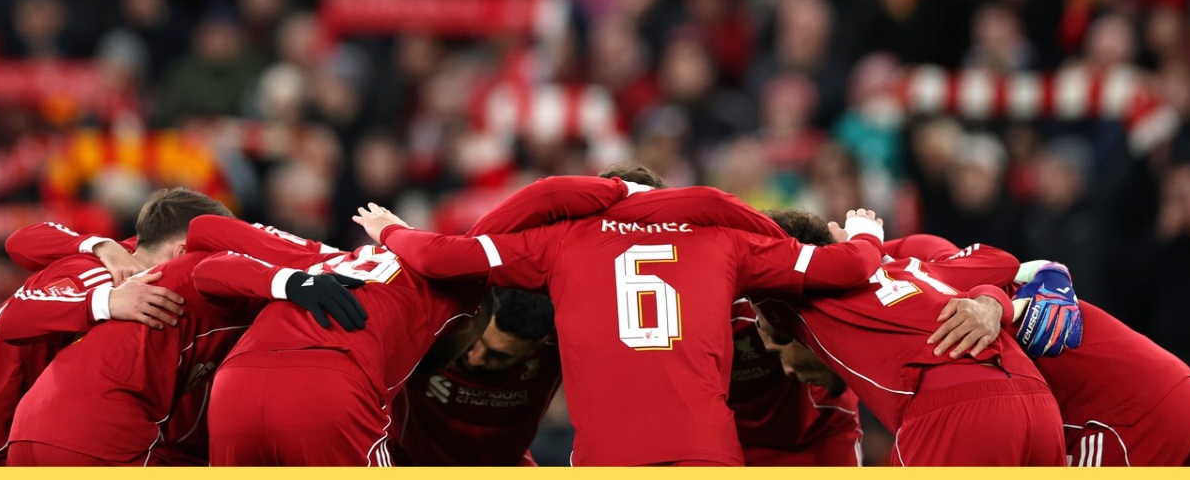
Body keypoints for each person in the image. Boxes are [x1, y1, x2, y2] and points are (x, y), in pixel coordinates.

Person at [353, 164, 886, 466]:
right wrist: (866, 231)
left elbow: (441, 258)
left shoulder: (560, 239)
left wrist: (393, 231)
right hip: (707, 454)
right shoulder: (723, 237)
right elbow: (850, 267)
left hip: (608, 461)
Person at [0, 189, 221, 466]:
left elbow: (22, 241)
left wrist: (100, 246)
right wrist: (103, 301)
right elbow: (15, 317)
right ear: (183, 251)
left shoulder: (122, 263)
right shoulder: (100, 274)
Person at [4, 205, 364, 466]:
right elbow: (211, 267)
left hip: (25, 431)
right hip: (98, 435)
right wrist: (293, 279)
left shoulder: (136, 285)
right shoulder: (187, 271)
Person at [756, 210, 1065, 467]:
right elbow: (1005, 263)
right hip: (1036, 400)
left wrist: (859, 240)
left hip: (953, 410)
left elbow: (740, 251)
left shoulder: (798, 292)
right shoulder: (912, 268)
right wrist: (993, 300)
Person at [180, 214, 484, 467]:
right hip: (328, 386)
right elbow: (494, 237)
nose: (474, 357)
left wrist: (288, 280)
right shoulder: (458, 287)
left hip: (234, 388)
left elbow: (204, 236)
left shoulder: (327, 258)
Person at [883, 234, 1190, 466]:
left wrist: (994, 304)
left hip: (1129, 414)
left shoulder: (943, 292)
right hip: (1175, 387)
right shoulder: (945, 270)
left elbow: (983, 286)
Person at [390, 288, 563, 466]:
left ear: (537, 346)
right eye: (478, 339)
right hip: (403, 461)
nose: (474, 359)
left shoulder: (561, 346)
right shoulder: (439, 316)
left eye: (498, 355)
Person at [727, 299, 863, 466]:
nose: (788, 370)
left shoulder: (833, 410)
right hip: (730, 443)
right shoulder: (722, 313)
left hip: (816, 437)